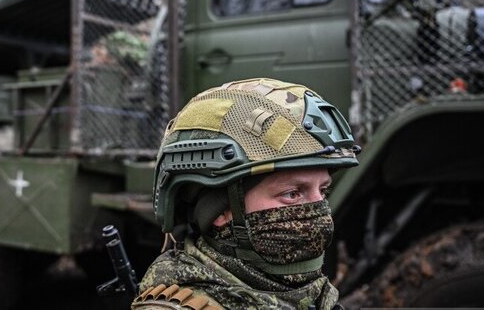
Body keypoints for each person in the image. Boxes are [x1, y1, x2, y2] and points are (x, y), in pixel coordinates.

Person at [132, 78, 360, 310]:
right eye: (292, 194)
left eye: (323, 190)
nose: (319, 209)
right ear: (220, 210)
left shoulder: (310, 295)